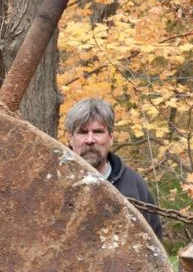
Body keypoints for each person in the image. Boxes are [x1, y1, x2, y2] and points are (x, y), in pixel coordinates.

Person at [65, 97, 164, 239]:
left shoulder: (134, 185)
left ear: (111, 137)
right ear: (70, 138)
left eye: (98, 132)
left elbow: (154, 244)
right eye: (82, 132)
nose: (90, 140)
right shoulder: (52, 181)